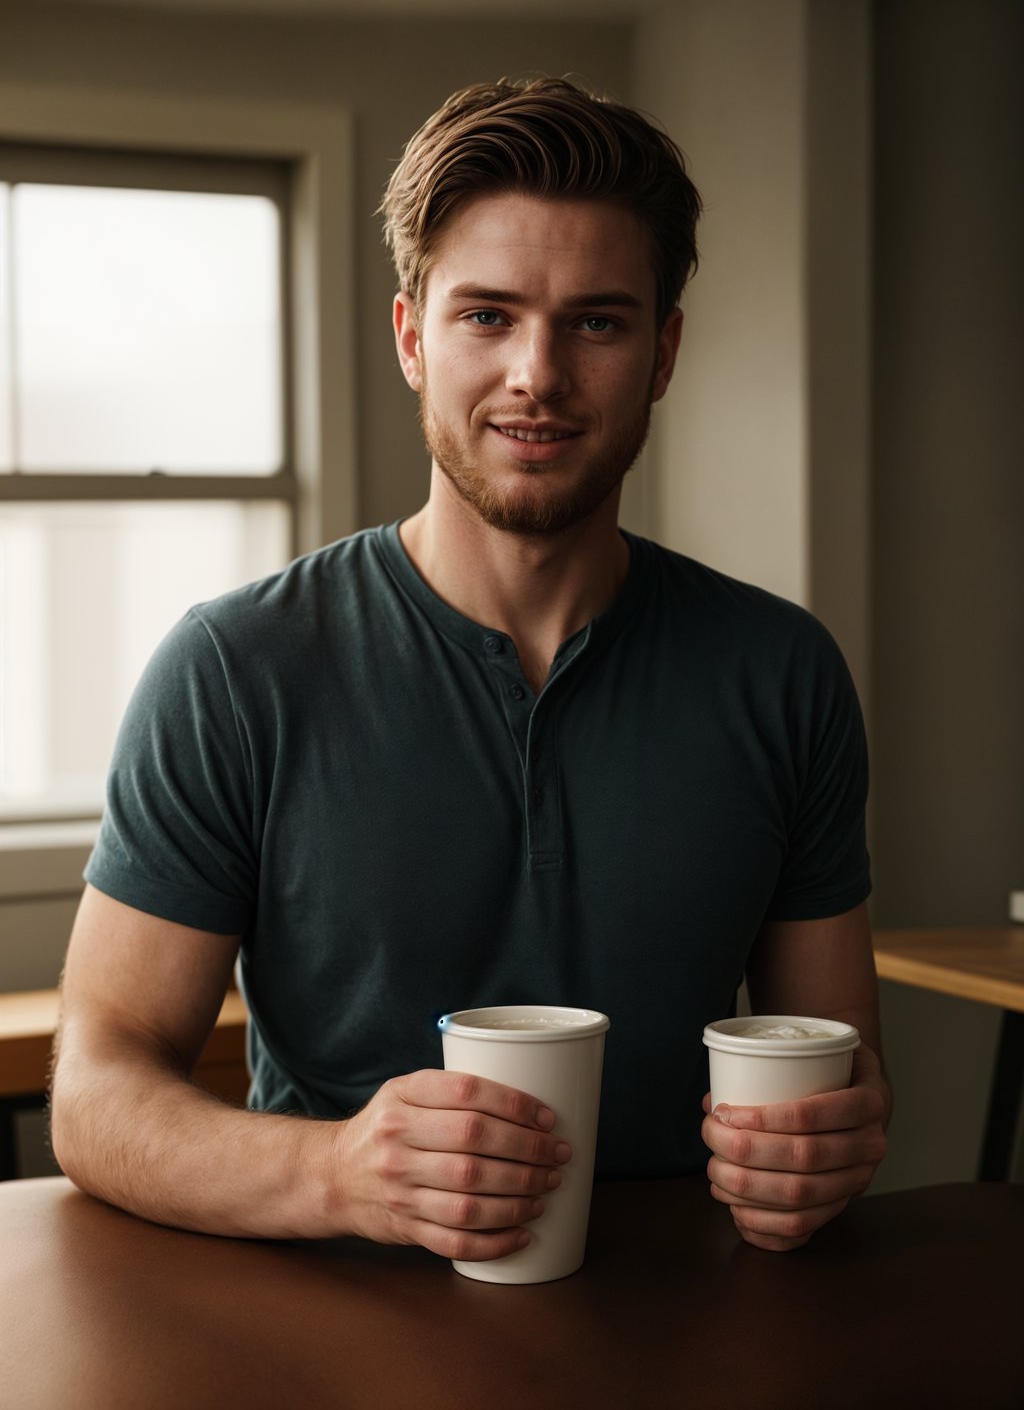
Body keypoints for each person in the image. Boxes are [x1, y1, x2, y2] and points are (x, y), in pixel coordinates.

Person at [51, 77, 890, 1258]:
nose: (536, 375)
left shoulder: (781, 672)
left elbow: (840, 1064)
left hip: (681, 1328)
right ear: (411, 337)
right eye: (487, 315)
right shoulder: (233, 670)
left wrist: (832, 1144)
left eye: (596, 321)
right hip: (321, 1327)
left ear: (662, 353)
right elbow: (93, 1094)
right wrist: (339, 1172)